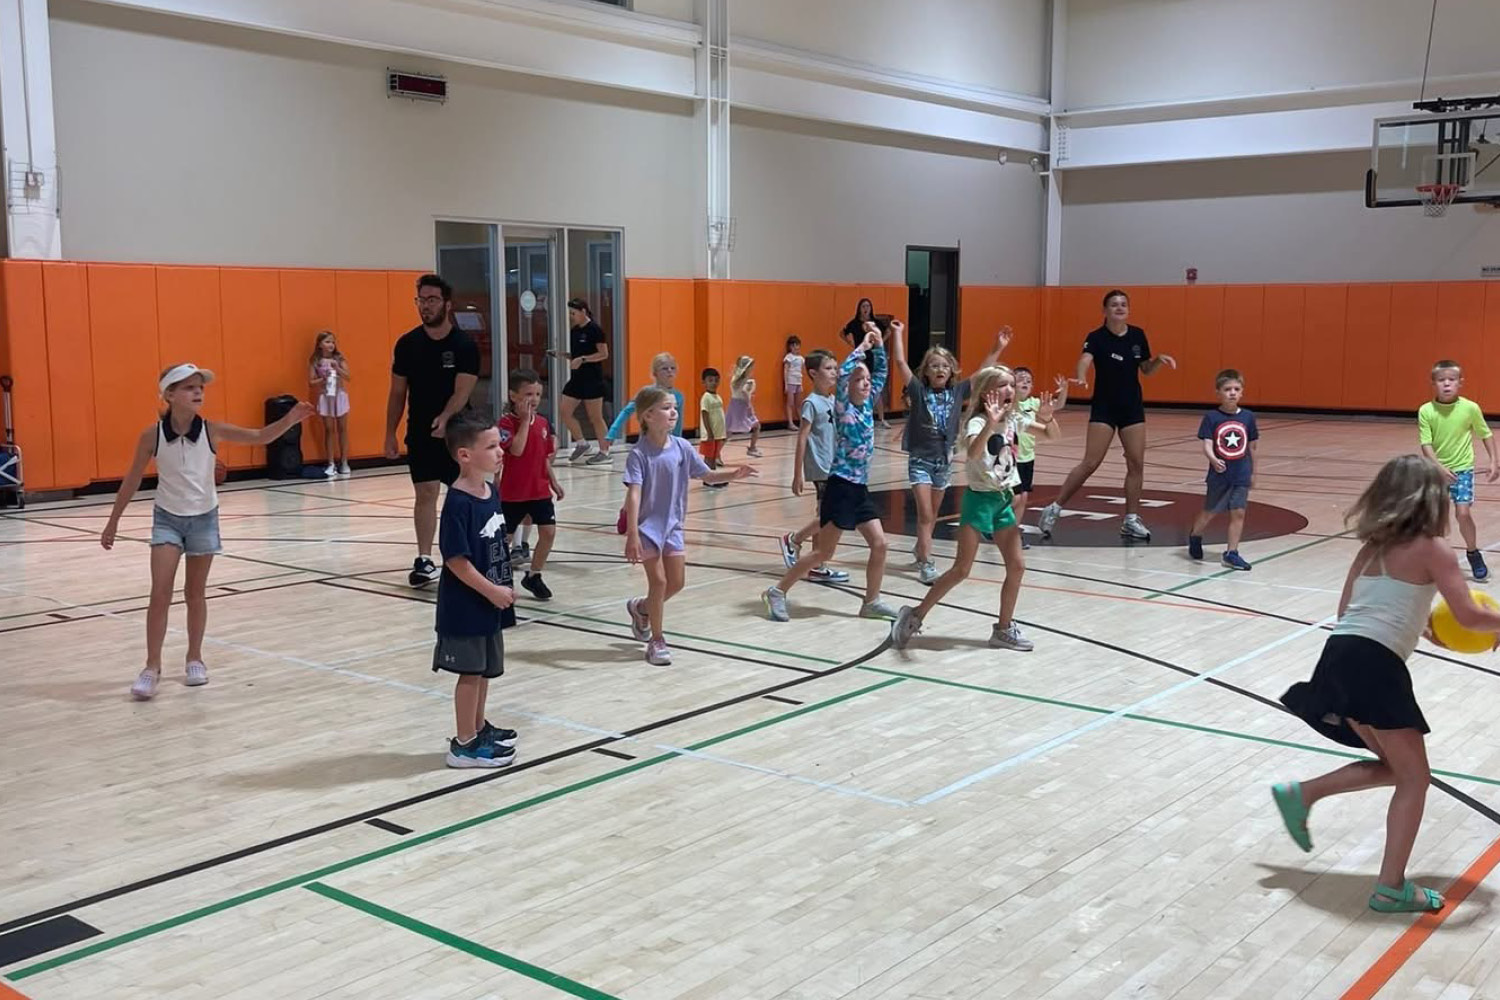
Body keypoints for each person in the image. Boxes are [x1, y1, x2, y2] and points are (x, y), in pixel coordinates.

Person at [1273, 454, 1500, 913]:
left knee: (1399, 769)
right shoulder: (1435, 549)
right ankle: (1390, 887)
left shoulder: (1370, 549)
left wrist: (1415, 626)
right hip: (1375, 664)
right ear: (1431, 500)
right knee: (1416, 780)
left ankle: (1305, 794)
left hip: (1339, 657)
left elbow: (1348, 615)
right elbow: (1470, 615)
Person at [102, 364, 313, 700]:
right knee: (160, 592)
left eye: (200, 387)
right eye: (188, 387)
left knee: (195, 594)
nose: (198, 392)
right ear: (169, 394)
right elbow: (131, 480)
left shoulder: (212, 430)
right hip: (167, 519)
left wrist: (291, 419)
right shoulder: (151, 436)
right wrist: (113, 521)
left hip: (204, 519)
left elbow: (259, 436)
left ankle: (194, 658)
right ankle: (151, 666)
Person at [890, 367, 1058, 653]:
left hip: (1003, 500)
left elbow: (1051, 435)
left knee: (1017, 566)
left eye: (1011, 385)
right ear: (987, 392)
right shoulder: (978, 423)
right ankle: (915, 615)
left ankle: (1003, 629)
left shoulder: (1014, 419)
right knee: (961, 570)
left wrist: (1047, 417)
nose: (1011, 389)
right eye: (1004, 385)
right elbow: (974, 452)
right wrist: (992, 425)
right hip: (979, 501)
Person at [764, 323, 897, 622]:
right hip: (840, 486)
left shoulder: (866, 406)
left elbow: (882, 374)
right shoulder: (842, 405)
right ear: (846, 384)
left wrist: (878, 344)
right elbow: (850, 369)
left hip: (859, 487)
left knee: (880, 543)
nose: (865, 383)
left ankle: (871, 601)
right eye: (858, 379)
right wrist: (862, 347)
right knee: (823, 554)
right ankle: (777, 591)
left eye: (866, 381)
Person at [624, 387, 756, 664]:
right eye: (666, 408)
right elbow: (634, 494)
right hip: (647, 528)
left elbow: (707, 474)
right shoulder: (639, 455)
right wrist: (633, 534)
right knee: (658, 582)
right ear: (647, 415)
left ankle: (642, 608)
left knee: (677, 582)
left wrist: (734, 473)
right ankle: (657, 640)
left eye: (674, 407)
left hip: (673, 527)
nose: (673, 412)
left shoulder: (682, 447)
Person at [1037, 289, 1176, 542]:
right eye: (1114, 305)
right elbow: (1085, 359)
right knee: (1091, 462)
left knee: (1136, 463)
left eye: (1124, 304)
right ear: (1105, 311)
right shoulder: (1097, 337)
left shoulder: (1137, 335)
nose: (1120, 308)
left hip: (1132, 408)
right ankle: (1054, 508)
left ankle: (1131, 520)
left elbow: (1145, 369)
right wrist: (1080, 376)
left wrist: (1158, 360)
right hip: (1104, 407)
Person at [433, 411, 518, 768]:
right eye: (492, 446)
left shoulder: (490, 491)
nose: (501, 452)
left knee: (484, 670)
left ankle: (478, 727)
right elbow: (456, 560)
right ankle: (464, 743)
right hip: (467, 605)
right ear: (465, 455)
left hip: (489, 602)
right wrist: (490, 591)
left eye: (499, 444)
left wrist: (505, 586)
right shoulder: (458, 502)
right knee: (470, 673)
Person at [385, 273, 481, 588]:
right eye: (421, 300)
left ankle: (464, 556)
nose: (425, 306)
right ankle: (425, 560)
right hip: (420, 431)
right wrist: (389, 432)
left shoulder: (464, 345)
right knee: (425, 493)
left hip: (457, 433)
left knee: (461, 495)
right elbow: (397, 393)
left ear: (446, 304)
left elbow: (462, 392)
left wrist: (446, 416)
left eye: (432, 300)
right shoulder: (407, 344)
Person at [893, 321, 1008, 583]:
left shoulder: (957, 392)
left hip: (943, 462)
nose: (940, 369)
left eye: (945, 365)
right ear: (926, 371)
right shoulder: (918, 391)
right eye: (934, 365)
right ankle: (927, 562)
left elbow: (983, 373)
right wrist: (898, 334)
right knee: (924, 514)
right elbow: (900, 363)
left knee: (932, 515)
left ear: (952, 370)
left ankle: (921, 548)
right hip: (920, 461)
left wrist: (996, 347)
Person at [1418, 359, 1497, 581]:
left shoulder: (1470, 408)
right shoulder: (1426, 410)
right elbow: (1426, 444)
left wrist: (1493, 462)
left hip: (1463, 470)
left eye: (1451, 380)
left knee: (1462, 513)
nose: (1446, 384)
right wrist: (1439, 467)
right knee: (1435, 518)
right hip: (1436, 471)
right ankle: (1435, 559)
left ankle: (1473, 552)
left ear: (1460, 382)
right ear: (1433, 383)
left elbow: (1486, 434)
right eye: (1441, 380)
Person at [778, 349, 850, 584]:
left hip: (834, 464)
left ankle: (817, 565)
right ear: (813, 373)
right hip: (821, 467)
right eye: (829, 369)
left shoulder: (831, 400)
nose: (834, 373)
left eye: (835, 368)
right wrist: (797, 474)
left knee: (824, 514)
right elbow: (802, 438)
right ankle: (794, 539)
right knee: (830, 516)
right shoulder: (811, 402)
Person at [497, 369, 565, 602]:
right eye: (528, 394)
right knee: (502, 540)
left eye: (537, 393)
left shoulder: (544, 423)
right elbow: (516, 450)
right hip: (513, 493)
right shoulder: (506, 423)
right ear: (513, 396)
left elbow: (543, 457)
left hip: (539, 490)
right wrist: (525, 422)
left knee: (548, 532)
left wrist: (553, 481)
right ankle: (493, 577)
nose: (534, 399)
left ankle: (534, 575)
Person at [1188, 369, 1258, 570]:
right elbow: (1207, 444)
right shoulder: (1211, 417)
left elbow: (1252, 447)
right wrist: (1213, 459)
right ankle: (1195, 534)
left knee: (1238, 513)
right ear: (1218, 392)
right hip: (1219, 475)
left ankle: (1231, 553)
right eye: (1227, 389)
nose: (1232, 393)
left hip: (1241, 474)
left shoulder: (1248, 417)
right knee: (1210, 511)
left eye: (1236, 389)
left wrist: (1254, 473)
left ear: (1242, 392)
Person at [1011, 366, 1068, 549]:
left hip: (1027, 457)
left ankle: (1013, 533)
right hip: (1011, 459)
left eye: (1029, 380)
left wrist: (1064, 390)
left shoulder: (1034, 403)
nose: (1025, 382)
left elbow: (1057, 405)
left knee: (1024, 497)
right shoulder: (1010, 404)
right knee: (1013, 498)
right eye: (1021, 379)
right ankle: (1000, 527)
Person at [553, 297, 613, 465]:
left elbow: (603, 354)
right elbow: (576, 356)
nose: (572, 316)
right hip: (576, 379)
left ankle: (605, 451)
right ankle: (582, 443)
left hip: (592, 380)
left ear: (583, 312)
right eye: (570, 313)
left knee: (595, 417)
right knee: (564, 411)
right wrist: (562, 355)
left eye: (574, 313)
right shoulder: (574, 331)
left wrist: (584, 359)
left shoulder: (595, 330)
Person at [606, 352, 684, 442]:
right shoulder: (647, 392)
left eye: (672, 368)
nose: (669, 371)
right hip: (648, 441)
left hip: (668, 442)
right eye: (664, 369)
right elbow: (627, 411)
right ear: (655, 373)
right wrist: (612, 432)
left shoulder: (678, 396)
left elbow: (678, 423)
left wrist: (678, 443)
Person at [308, 330, 351, 479]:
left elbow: (348, 376)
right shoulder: (315, 361)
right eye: (327, 342)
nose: (331, 345)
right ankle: (331, 463)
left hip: (339, 395)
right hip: (325, 396)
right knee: (329, 429)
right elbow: (311, 382)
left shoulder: (339, 358)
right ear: (320, 345)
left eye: (332, 342)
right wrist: (323, 379)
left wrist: (337, 368)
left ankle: (344, 461)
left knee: (342, 429)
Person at [842, 298, 890, 428]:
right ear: (859, 308)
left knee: (875, 388)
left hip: (873, 355)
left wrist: (880, 341)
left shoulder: (876, 322)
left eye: (868, 306)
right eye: (863, 306)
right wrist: (854, 345)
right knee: (859, 385)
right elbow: (843, 332)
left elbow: (888, 331)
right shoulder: (854, 323)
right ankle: (857, 414)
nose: (866, 308)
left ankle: (881, 418)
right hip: (861, 355)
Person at [727, 355, 763, 458]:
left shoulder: (735, 379)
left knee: (729, 431)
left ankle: (716, 454)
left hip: (734, 405)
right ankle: (752, 448)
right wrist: (749, 404)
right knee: (756, 426)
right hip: (742, 406)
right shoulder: (746, 381)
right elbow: (744, 392)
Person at [698, 367, 727, 488]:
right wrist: (709, 432)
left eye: (716, 380)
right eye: (710, 380)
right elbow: (705, 415)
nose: (714, 383)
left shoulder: (718, 397)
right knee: (709, 458)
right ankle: (708, 479)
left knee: (714, 457)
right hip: (710, 434)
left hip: (718, 433)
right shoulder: (706, 397)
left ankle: (713, 478)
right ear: (704, 382)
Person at [783, 336, 805, 429]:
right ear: (790, 347)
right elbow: (786, 370)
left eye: (797, 345)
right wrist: (786, 384)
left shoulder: (801, 358)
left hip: (798, 382)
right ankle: (790, 423)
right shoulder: (789, 357)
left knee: (799, 403)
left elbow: (801, 371)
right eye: (793, 345)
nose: (796, 347)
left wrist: (801, 383)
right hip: (791, 381)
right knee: (790, 403)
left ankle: (802, 422)